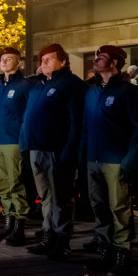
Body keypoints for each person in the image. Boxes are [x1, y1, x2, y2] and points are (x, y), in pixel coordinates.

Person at [80, 45, 138, 276]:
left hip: (116, 160)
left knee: (119, 208)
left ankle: (123, 254)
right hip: (93, 158)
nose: (96, 61)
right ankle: (105, 251)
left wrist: (129, 160)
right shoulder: (91, 91)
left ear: (115, 63)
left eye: (102, 58)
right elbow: (86, 127)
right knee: (99, 206)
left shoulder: (127, 92)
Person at [20, 43, 86, 260]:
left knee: (61, 198)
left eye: (49, 59)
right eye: (42, 59)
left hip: (56, 151)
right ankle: (48, 235)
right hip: (36, 149)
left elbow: (77, 122)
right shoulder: (40, 85)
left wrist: (69, 152)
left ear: (64, 61)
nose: (44, 62)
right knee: (46, 196)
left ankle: (62, 240)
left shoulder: (70, 84)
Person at [0, 47, 34, 245]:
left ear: (19, 63)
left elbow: (29, 116)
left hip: (14, 142)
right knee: (2, 185)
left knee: (16, 183)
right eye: (3, 59)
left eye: (10, 59)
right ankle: (8, 223)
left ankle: (19, 227)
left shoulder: (25, 86)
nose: (5, 62)